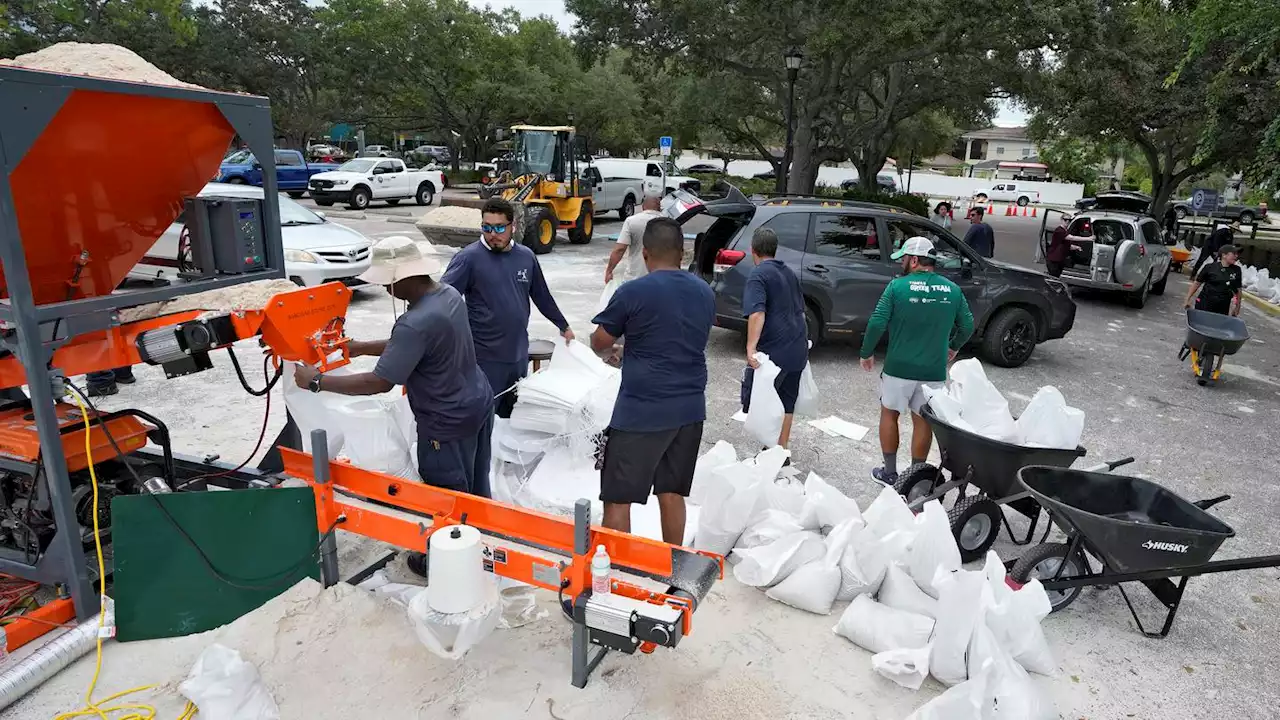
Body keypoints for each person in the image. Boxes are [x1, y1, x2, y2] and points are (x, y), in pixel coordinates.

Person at [293, 236, 495, 500]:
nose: (386, 289)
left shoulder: (414, 322)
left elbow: (378, 382)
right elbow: (417, 345)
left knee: (449, 499)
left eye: (388, 282)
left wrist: (316, 381)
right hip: (478, 403)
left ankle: (461, 538)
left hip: (448, 423)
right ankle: (486, 534)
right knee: (477, 486)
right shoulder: (449, 295)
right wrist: (362, 347)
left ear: (405, 278)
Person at [590, 218, 714, 545]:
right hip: (689, 410)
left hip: (641, 412)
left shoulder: (633, 291)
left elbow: (601, 341)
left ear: (644, 254)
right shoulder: (704, 292)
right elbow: (670, 336)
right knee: (672, 492)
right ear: (682, 253)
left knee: (618, 496)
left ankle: (617, 574)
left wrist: (613, 348)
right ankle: (672, 563)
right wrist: (630, 350)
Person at [441, 197, 573, 418]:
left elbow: (542, 296)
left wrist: (563, 325)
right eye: (487, 228)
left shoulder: (526, 257)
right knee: (482, 420)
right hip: (484, 359)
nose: (493, 234)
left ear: (514, 226)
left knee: (514, 419)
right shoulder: (468, 259)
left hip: (518, 356)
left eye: (499, 228)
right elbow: (442, 298)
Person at [859, 237, 974, 484]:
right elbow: (967, 325)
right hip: (933, 371)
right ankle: (914, 477)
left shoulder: (896, 287)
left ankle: (889, 473)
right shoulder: (952, 290)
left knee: (889, 414)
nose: (901, 262)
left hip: (898, 368)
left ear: (913, 260)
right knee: (923, 420)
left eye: (903, 258)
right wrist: (953, 348)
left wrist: (866, 352)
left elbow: (877, 321)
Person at [741, 227, 808, 450]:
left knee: (765, 400)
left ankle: (770, 449)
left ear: (753, 250)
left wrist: (751, 348)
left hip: (775, 351)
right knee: (786, 401)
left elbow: (757, 312)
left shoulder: (758, 274)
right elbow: (801, 310)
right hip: (797, 346)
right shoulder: (788, 272)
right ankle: (781, 450)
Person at [605, 191, 662, 284]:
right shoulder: (669, 223)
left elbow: (620, 249)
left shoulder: (631, 221)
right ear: (659, 207)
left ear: (643, 206)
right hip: (660, 280)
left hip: (635, 278)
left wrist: (609, 271)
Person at [1185, 244, 1243, 316]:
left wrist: (1237, 307)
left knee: (1217, 326)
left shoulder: (1237, 270)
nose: (1236, 256)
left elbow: (1238, 291)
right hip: (1205, 303)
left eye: (1237, 254)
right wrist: (1187, 299)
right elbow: (1197, 283)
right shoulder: (1209, 267)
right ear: (1224, 255)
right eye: (1234, 254)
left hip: (1223, 306)